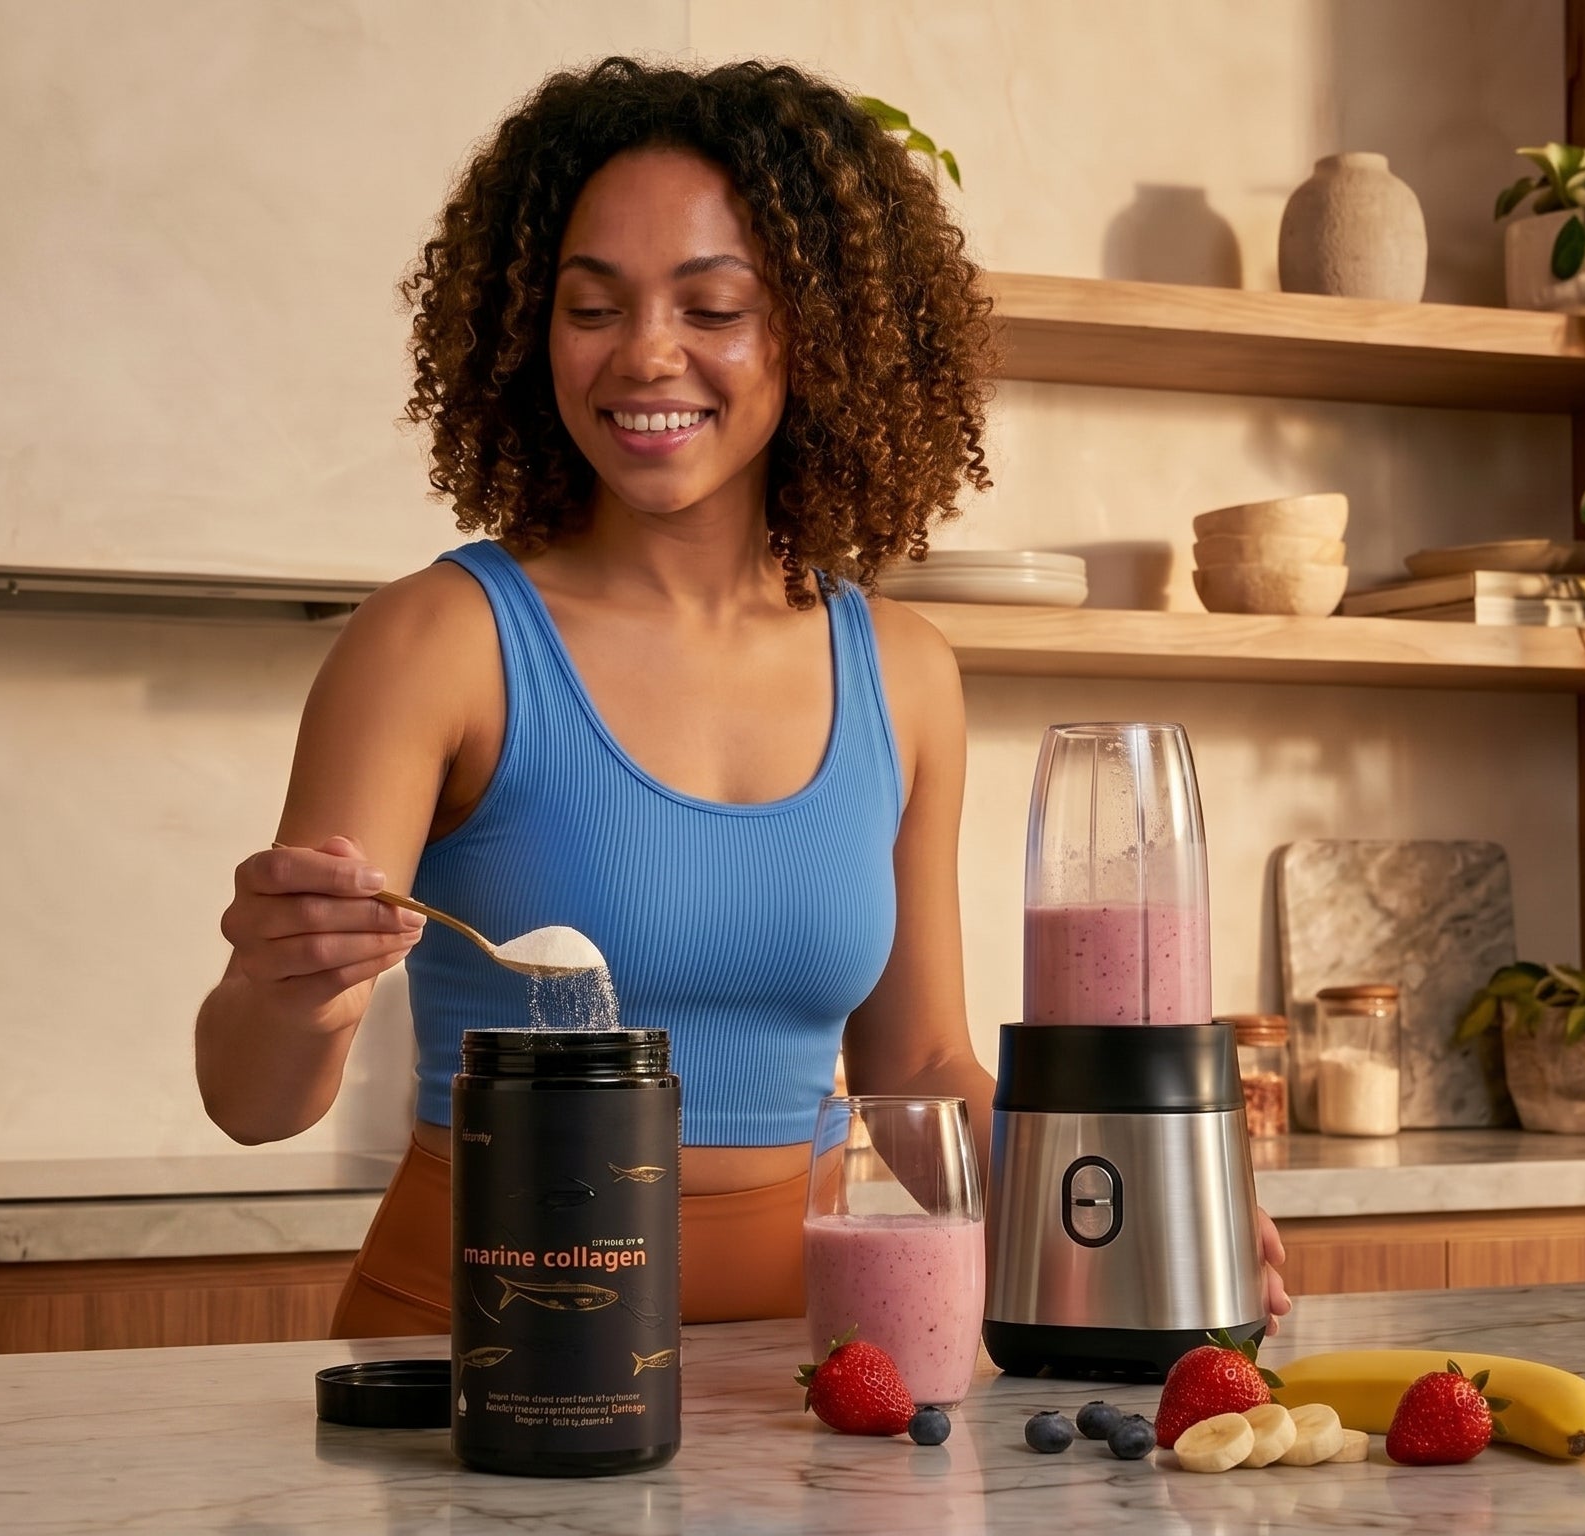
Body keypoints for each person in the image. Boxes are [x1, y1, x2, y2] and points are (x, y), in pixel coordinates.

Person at [194, 56, 1291, 1339]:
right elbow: (255, 1103)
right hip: (479, 1353)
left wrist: (1128, 1197)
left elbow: (917, 1070)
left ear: (817, 335)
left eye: (713, 307)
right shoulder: (438, 641)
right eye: (592, 308)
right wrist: (290, 985)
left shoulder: (903, 671)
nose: (646, 356)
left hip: (799, 1369)